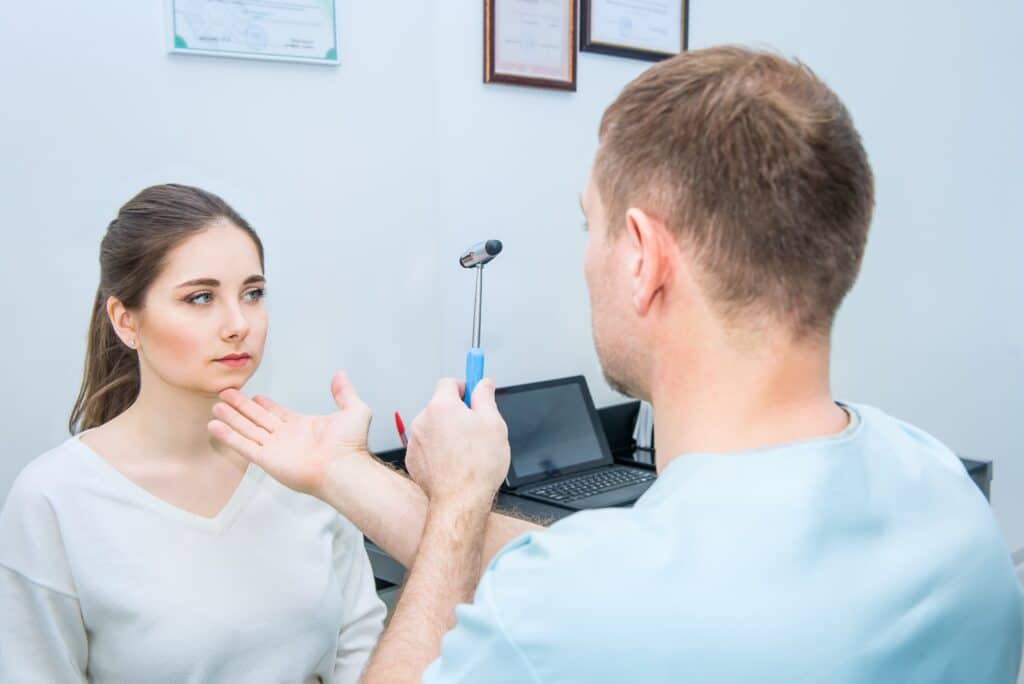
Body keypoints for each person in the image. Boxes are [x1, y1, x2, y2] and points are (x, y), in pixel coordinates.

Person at [209, 47, 1023, 682]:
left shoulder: (588, 612)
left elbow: (573, 600)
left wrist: (461, 498)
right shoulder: (946, 495)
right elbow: (571, 574)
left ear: (642, 258)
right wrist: (341, 472)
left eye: (589, 225)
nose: (587, 257)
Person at [0, 185, 385, 682]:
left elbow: (361, 643)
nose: (238, 323)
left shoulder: (305, 466)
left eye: (253, 293)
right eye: (200, 297)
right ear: (125, 321)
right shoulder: (53, 500)